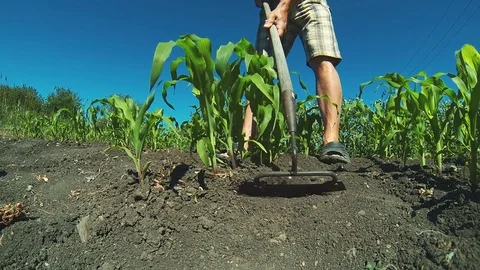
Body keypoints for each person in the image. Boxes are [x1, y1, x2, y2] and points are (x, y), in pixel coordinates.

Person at [242, 0, 350, 164]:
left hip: (309, 2)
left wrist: (284, 5)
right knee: (260, 72)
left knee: (322, 59)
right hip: (270, 9)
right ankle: (245, 144)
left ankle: (332, 142)